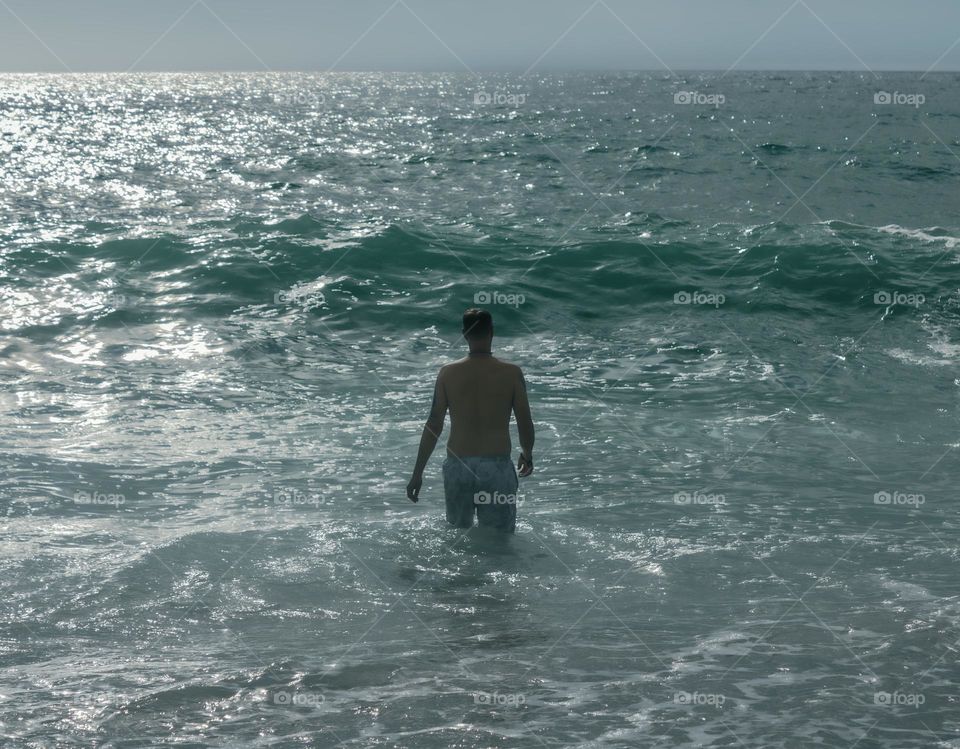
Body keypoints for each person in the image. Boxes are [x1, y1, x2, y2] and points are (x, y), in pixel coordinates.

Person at [406, 308, 534, 533]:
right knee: (499, 540)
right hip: (496, 468)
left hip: (459, 467)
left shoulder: (448, 373)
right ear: (492, 332)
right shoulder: (511, 373)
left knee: (458, 539)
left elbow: (434, 424)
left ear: (464, 334)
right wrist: (527, 453)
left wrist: (418, 474)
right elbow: (525, 421)